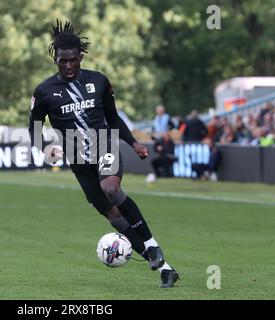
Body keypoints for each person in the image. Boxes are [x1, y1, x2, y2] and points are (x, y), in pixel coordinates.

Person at [29, 20, 179, 288]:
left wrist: (133, 143)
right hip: (77, 156)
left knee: (111, 188)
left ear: (80, 57)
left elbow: (113, 118)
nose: (68, 66)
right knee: (112, 215)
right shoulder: (43, 92)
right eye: (62, 61)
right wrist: (45, 147)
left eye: (72, 60)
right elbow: (34, 128)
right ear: (56, 59)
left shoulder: (99, 81)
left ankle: (152, 246)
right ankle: (164, 267)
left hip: (103, 143)